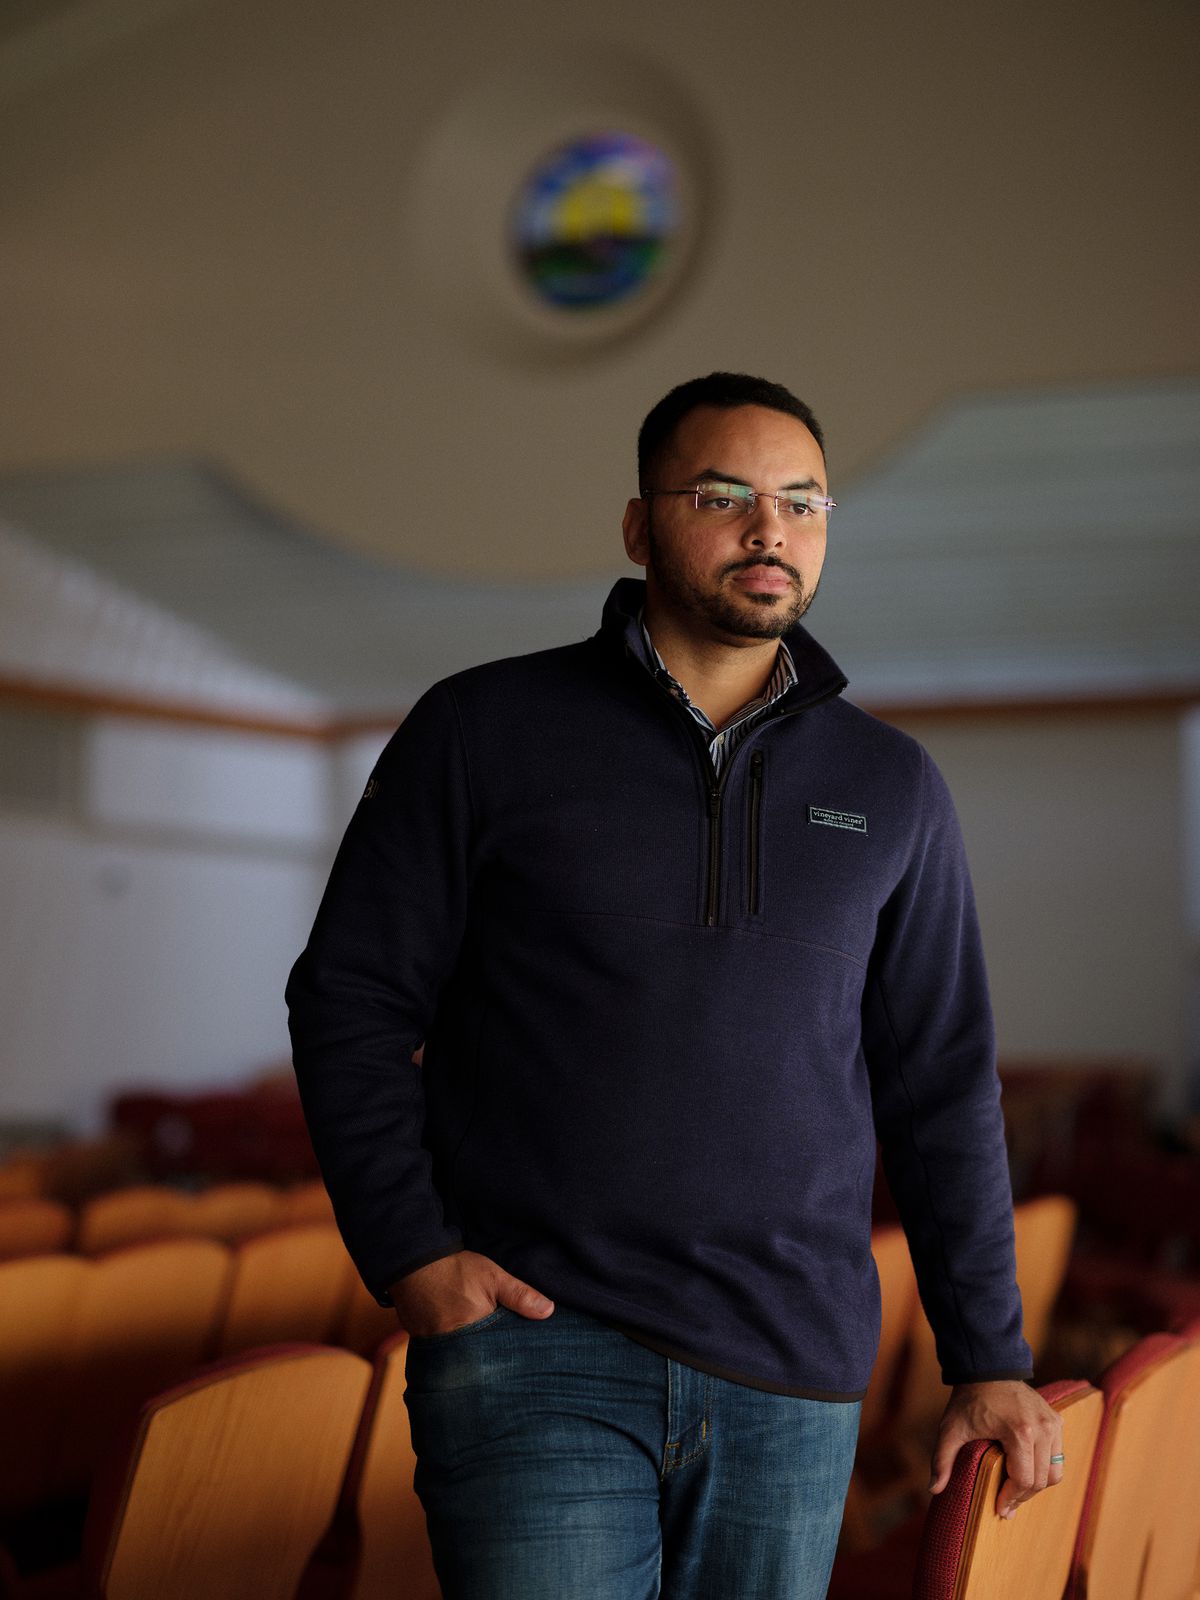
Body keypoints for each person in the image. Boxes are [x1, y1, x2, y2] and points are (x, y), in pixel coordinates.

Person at [286, 372, 1063, 1600]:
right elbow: (351, 1000)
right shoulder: (484, 729)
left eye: (805, 503)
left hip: (792, 1367)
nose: (772, 530)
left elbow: (941, 1081)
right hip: (538, 1347)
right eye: (727, 496)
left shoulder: (894, 784)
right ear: (641, 525)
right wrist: (413, 1255)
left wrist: (989, 1356)